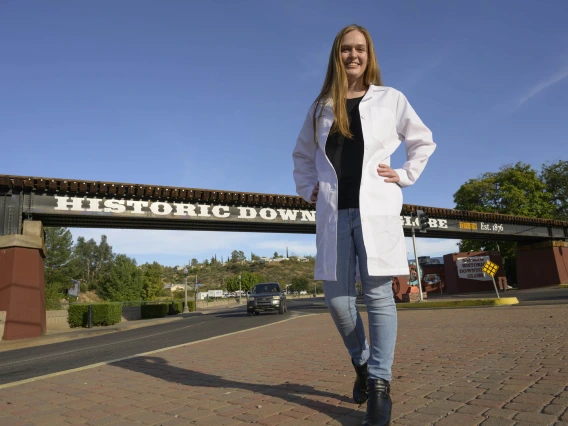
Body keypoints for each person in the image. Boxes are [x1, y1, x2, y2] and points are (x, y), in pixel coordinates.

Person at [292, 24, 436, 426]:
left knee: (377, 298)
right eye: (345, 50)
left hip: (377, 210)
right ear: (336, 56)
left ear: (369, 55)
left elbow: (422, 140)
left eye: (360, 49)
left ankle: (378, 386)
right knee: (337, 300)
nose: (353, 55)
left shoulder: (391, 99)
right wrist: (308, 190)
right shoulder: (321, 105)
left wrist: (405, 174)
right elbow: (302, 155)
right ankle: (361, 361)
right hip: (334, 212)